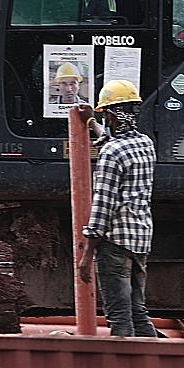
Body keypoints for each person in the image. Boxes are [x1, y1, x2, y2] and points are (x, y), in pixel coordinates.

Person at [75, 79, 157, 338]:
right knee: (138, 311)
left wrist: (87, 255)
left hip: (115, 243)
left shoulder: (111, 153)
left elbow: (102, 207)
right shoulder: (145, 145)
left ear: (111, 114)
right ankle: (155, 367)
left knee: (119, 315)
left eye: (105, 115)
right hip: (141, 239)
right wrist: (91, 122)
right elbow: (113, 140)